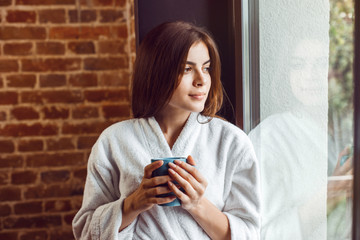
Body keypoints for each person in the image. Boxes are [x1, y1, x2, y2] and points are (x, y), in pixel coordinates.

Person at [72, 21, 261, 240]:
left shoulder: (231, 141)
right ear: (157, 72)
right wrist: (134, 203)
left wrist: (198, 204)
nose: (202, 80)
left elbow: (249, 234)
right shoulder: (114, 141)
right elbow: (85, 231)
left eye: (206, 68)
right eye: (187, 69)